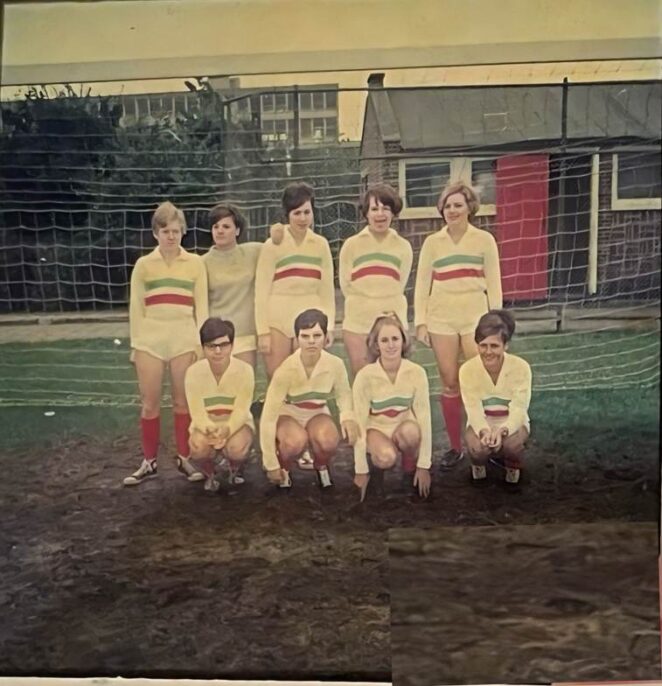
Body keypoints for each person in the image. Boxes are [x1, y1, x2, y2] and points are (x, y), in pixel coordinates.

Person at [414, 182, 502, 472]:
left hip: (475, 317)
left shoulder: (484, 240)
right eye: (447, 206)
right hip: (442, 318)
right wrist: (421, 322)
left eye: (458, 205)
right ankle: (455, 447)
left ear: (469, 208)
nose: (452, 210)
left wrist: (495, 321)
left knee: (479, 379)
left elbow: (494, 283)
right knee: (450, 382)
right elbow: (422, 284)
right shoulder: (433, 242)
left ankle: (487, 440)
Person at [124, 201, 208, 486]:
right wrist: (137, 345)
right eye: (165, 231)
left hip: (184, 339)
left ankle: (185, 457)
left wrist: (200, 345)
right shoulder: (144, 265)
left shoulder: (195, 263)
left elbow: (202, 308)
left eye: (175, 231)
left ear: (183, 231)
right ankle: (149, 461)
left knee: (182, 401)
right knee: (150, 404)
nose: (171, 236)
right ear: (155, 233)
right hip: (151, 341)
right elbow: (136, 308)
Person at [260, 308, 359, 489]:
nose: (311, 341)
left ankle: (321, 466)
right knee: (294, 441)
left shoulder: (335, 364)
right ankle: (284, 468)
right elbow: (268, 417)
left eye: (317, 335)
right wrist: (270, 462)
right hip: (289, 414)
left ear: (325, 336)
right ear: (297, 338)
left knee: (328, 440)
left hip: (317, 412)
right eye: (305, 336)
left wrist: (347, 417)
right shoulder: (285, 370)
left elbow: (344, 394)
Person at [254, 182, 335, 380]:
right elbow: (261, 291)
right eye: (297, 213)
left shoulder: (321, 245)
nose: (303, 218)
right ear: (287, 214)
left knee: (305, 379)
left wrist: (329, 326)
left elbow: (326, 291)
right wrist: (263, 331)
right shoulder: (272, 245)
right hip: (277, 320)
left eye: (307, 212)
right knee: (277, 378)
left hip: (310, 319)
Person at [352, 313, 432, 500]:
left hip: (403, 426)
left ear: (403, 341)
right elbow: (359, 424)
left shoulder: (416, 372)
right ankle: (376, 472)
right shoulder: (365, 376)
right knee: (386, 457)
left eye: (395, 339)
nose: (390, 345)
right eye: (384, 340)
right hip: (376, 429)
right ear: (376, 345)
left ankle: (409, 470)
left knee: (412, 433)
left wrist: (424, 466)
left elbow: (424, 417)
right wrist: (360, 470)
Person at [339, 184, 413, 375]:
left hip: (391, 320)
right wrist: (365, 305)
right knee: (362, 378)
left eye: (385, 208)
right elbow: (346, 284)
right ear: (366, 213)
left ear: (393, 212)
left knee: (392, 378)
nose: (380, 214)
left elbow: (400, 284)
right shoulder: (351, 245)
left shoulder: (403, 246)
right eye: (374, 209)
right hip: (358, 322)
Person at [202, 203, 284, 369]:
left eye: (226, 226)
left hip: (245, 335)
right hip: (215, 336)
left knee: (244, 382)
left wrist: (278, 230)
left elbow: (278, 245)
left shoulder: (254, 252)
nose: (220, 230)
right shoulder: (202, 262)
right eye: (216, 226)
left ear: (237, 230)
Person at [459, 310, 531, 488]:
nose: (488, 352)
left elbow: (519, 408)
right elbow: (473, 409)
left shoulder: (521, 367)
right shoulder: (467, 370)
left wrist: (503, 431)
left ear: (505, 345)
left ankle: (513, 467)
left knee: (511, 445)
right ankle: (478, 466)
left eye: (494, 346)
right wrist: (484, 431)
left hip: (510, 420)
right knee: (478, 448)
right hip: (484, 420)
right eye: (483, 345)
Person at [185, 318, 255, 492]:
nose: (217, 351)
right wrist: (209, 429)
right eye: (211, 346)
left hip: (236, 423)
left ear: (232, 345)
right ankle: (210, 473)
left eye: (223, 345)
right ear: (203, 347)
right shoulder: (193, 372)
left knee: (237, 448)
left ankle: (234, 468)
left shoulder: (245, 370)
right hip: (207, 424)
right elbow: (197, 412)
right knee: (198, 447)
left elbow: (241, 410)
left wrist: (228, 429)